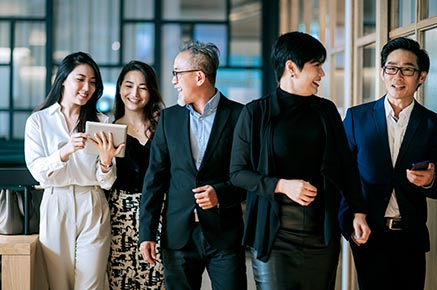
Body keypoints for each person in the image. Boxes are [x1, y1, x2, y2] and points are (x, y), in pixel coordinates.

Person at [229, 31, 370, 290]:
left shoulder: (326, 111)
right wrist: (282, 185)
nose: (322, 74)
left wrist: (358, 212)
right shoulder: (255, 113)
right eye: (316, 66)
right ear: (291, 68)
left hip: (321, 236)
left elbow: (347, 167)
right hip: (275, 238)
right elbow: (237, 173)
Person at [338, 37, 437, 290]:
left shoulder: (433, 124)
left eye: (408, 69)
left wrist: (430, 181)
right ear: (382, 72)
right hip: (367, 232)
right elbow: (343, 173)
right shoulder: (357, 117)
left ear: (421, 76)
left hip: (410, 236)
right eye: (391, 68)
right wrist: (351, 217)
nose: (398, 76)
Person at [139, 41, 247, 290]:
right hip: (178, 235)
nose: (174, 80)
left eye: (177, 73)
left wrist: (220, 194)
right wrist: (147, 232)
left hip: (224, 235)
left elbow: (249, 177)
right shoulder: (169, 119)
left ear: (199, 77)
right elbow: (154, 179)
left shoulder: (240, 116)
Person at [24, 51, 125, 290]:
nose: (86, 87)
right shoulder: (38, 121)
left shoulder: (103, 122)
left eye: (92, 82)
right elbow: (37, 171)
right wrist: (64, 152)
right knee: (60, 284)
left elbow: (107, 181)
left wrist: (106, 162)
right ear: (63, 80)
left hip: (92, 202)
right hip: (55, 202)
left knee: (90, 284)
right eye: (80, 79)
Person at [107, 60, 165, 289]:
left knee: (158, 281)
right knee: (122, 280)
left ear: (151, 91)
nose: (134, 93)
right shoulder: (109, 130)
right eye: (129, 85)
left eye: (142, 87)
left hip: (160, 214)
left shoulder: (164, 127)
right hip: (120, 218)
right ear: (120, 88)